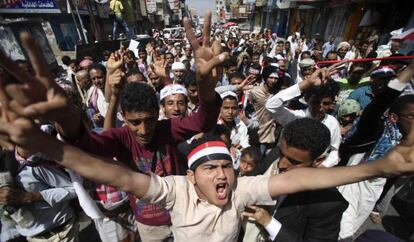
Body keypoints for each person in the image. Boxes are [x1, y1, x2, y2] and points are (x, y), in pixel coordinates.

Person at [241, 119, 348, 242]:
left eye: (294, 162)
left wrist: (269, 223)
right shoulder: (277, 154)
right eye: (281, 153)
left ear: (318, 161)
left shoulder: (328, 204)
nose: (281, 164)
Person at [266, 68, 341, 167]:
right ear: (307, 99)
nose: (320, 108)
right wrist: (307, 83)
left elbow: (334, 152)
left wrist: (324, 166)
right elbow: (271, 106)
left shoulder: (332, 123)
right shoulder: (296, 118)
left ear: (332, 104)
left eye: (326, 103)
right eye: (316, 102)